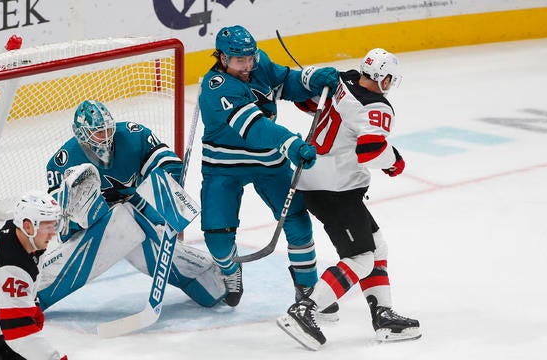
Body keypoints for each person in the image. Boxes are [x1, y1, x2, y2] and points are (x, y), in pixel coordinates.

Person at [277, 48, 421, 350]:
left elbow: (306, 102)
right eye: (390, 79)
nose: (390, 85)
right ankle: (304, 311)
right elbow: (368, 152)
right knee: (361, 258)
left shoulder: (344, 81)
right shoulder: (376, 106)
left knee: (376, 244)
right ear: (382, 78)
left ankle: (383, 316)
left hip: (315, 178)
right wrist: (395, 160)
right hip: (335, 189)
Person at [198, 25, 340, 307]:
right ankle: (230, 271)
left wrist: (311, 79)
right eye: (240, 61)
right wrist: (289, 143)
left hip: (268, 161)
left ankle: (308, 290)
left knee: (298, 222)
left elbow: (286, 82)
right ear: (223, 58)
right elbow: (254, 127)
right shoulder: (215, 88)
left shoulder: (257, 63)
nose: (248, 65)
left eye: (250, 58)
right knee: (218, 241)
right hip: (224, 165)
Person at [37, 100, 226, 311]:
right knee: (118, 218)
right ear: (81, 133)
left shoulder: (133, 135)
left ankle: (210, 280)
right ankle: (34, 295)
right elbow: (65, 223)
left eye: (108, 129)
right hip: (94, 229)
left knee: (137, 231)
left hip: (137, 214)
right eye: (99, 132)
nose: (106, 136)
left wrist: (168, 192)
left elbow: (167, 164)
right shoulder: (63, 161)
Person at [0, 191, 67, 359]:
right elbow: (19, 333)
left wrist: (30, 304)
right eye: (48, 226)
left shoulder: (18, 233)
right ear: (28, 226)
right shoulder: (10, 263)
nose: (53, 233)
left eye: (55, 225)